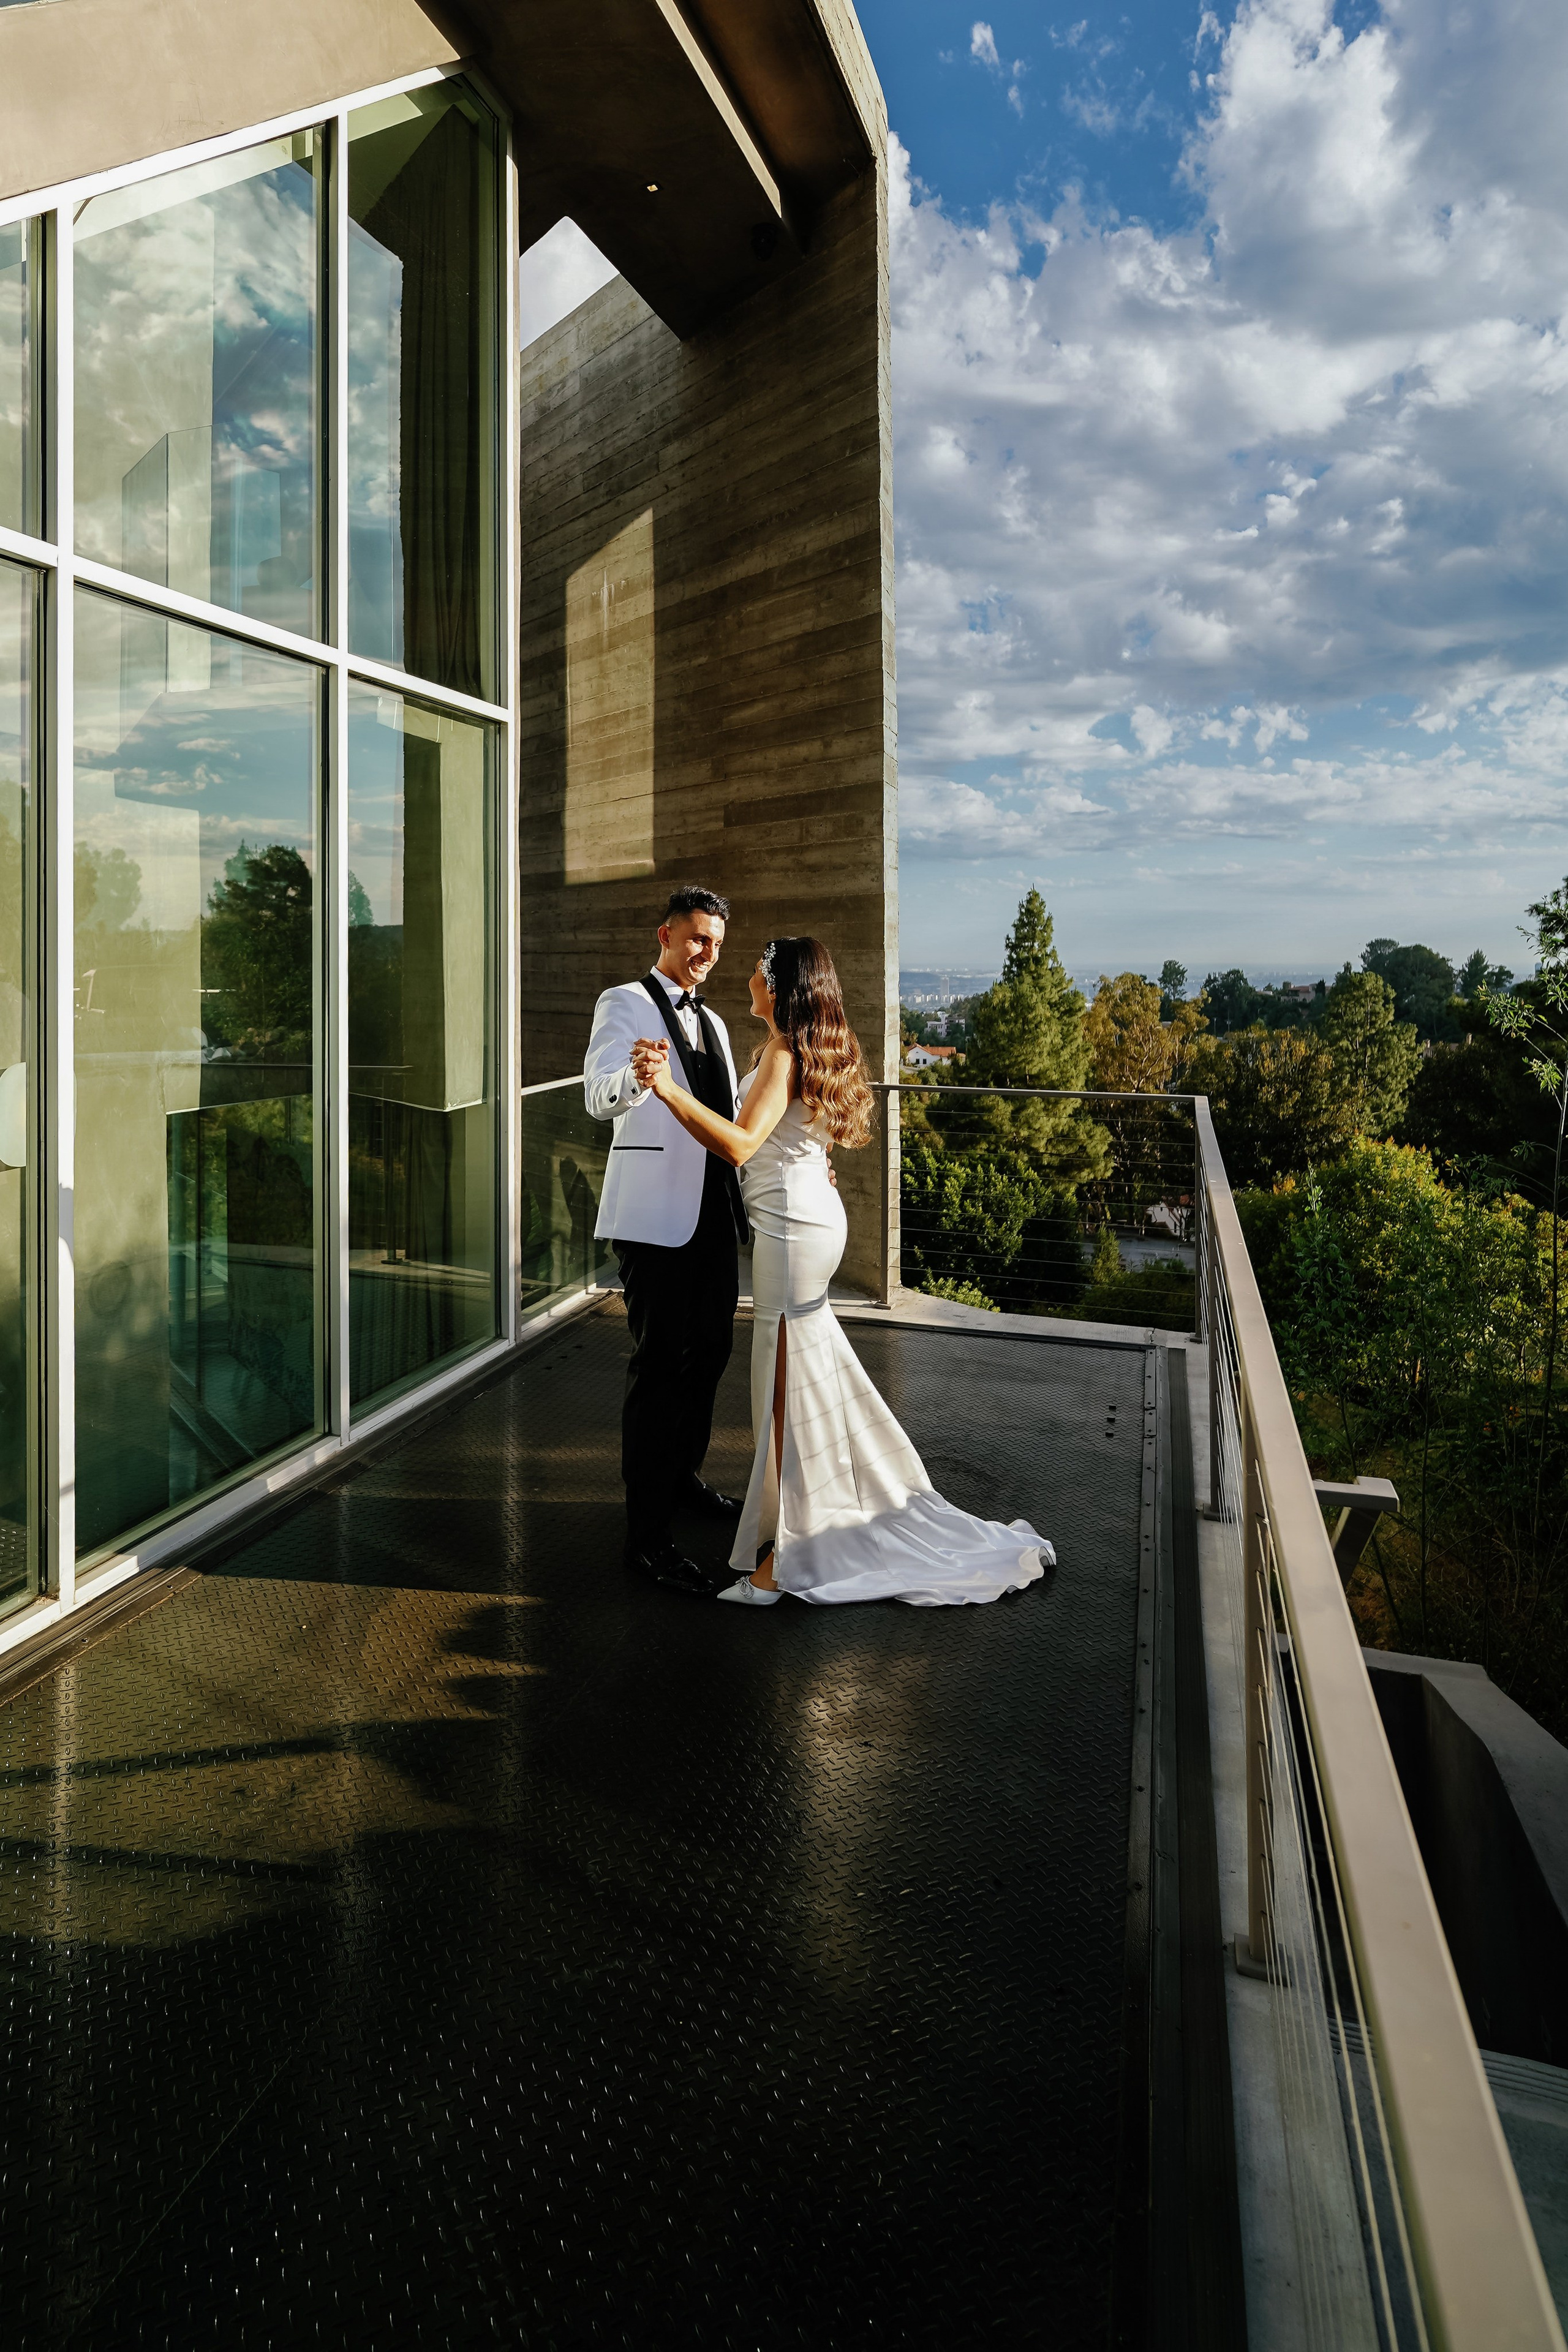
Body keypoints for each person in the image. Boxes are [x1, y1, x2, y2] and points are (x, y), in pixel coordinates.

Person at [629, 937, 1053, 1606]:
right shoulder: (801, 1050)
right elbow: (795, 1140)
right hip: (811, 1217)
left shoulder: (779, 1053)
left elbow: (740, 1146)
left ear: (779, 988)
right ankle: (790, 1540)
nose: (747, 977)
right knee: (796, 1385)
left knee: (782, 1395)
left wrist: (664, 1089)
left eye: (760, 972)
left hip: (793, 1233)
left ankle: (782, 1566)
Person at [583, 885, 748, 1596]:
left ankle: (681, 1482)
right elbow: (597, 1095)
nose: (706, 953)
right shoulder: (623, 1001)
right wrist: (638, 1081)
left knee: (710, 1353)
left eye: (715, 942)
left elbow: (733, 1118)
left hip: (716, 1215)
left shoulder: (714, 1020)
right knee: (658, 1371)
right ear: (665, 935)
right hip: (654, 1220)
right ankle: (645, 1539)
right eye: (695, 940)